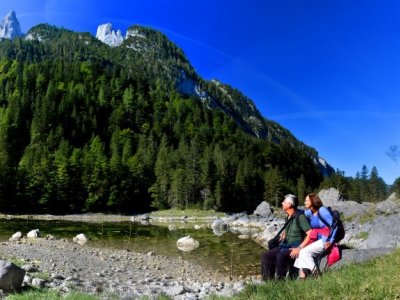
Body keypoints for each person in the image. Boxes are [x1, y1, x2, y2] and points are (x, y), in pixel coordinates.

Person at [260, 194, 312, 280]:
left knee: (281, 256)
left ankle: (280, 282)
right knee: (265, 256)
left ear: (290, 205)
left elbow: (310, 234)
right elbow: (289, 230)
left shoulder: (300, 216)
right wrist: (283, 236)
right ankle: (268, 282)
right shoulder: (287, 216)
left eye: (284, 202)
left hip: (295, 246)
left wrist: (299, 248)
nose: (282, 203)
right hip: (286, 245)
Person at [293, 193, 337, 278]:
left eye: (307, 200)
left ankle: (316, 275)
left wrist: (331, 241)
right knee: (300, 253)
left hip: (325, 239)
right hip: (317, 239)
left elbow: (334, 225)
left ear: (313, 201)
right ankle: (302, 279)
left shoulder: (322, 210)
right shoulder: (311, 212)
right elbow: (302, 213)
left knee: (304, 252)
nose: (305, 202)